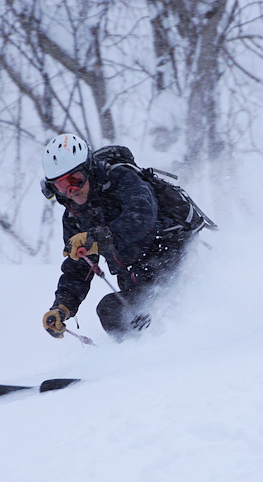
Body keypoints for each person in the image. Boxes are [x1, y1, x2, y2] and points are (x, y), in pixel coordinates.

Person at [40, 133, 205, 341]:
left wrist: (95, 239)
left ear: (89, 170)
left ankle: (168, 352)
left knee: (112, 309)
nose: (71, 191)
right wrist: (62, 307)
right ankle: (131, 359)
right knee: (115, 312)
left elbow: (142, 218)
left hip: (170, 258)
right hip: (136, 277)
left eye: (75, 180)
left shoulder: (121, 179)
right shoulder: (74, 217)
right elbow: (78, 266)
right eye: (61, 186)